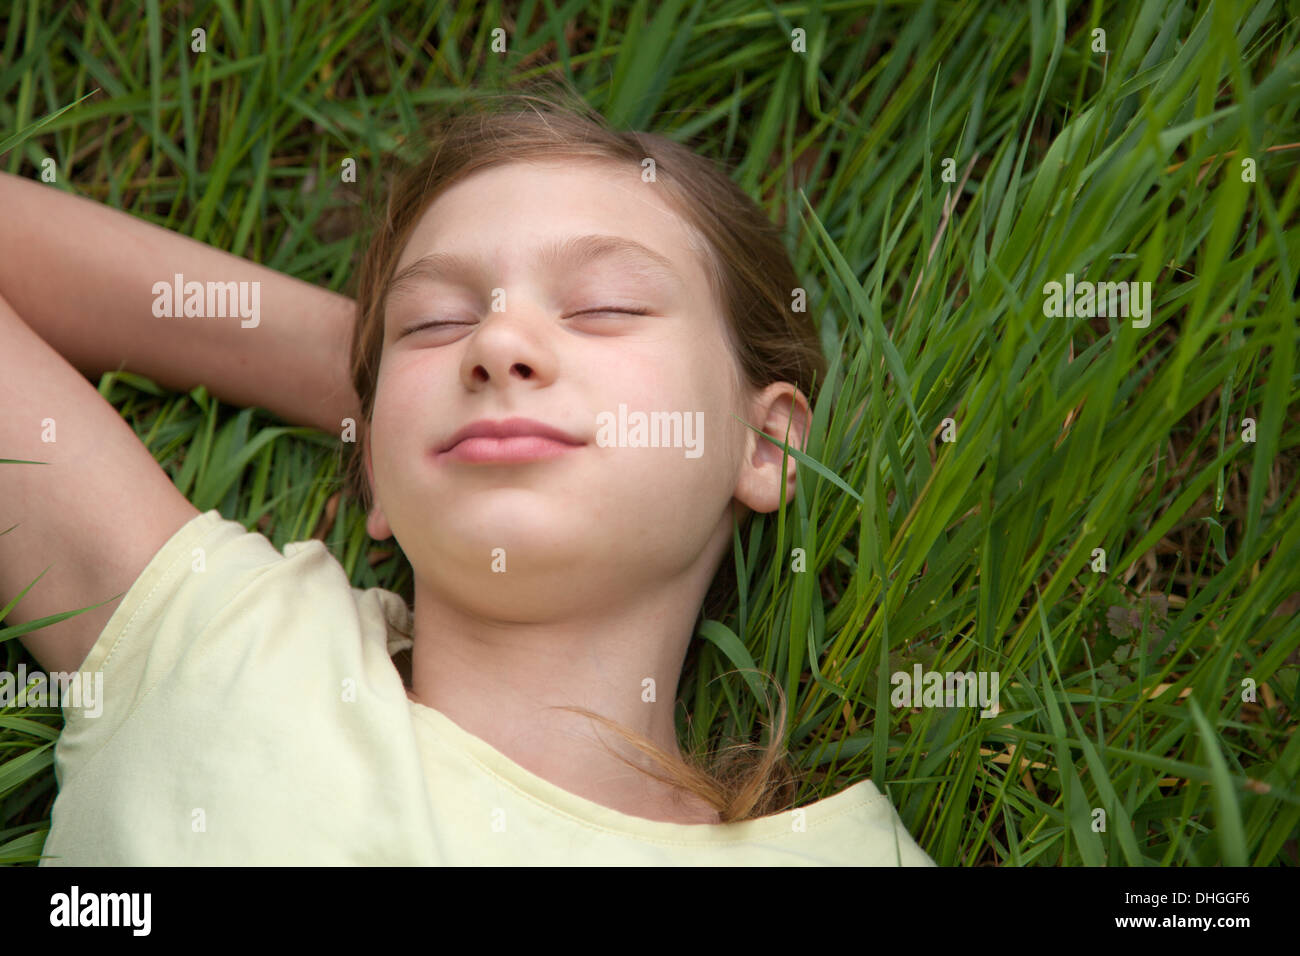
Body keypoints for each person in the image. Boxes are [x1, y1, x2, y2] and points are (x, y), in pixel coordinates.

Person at [1, 84, 934, 865]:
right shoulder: (222, 644)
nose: (496, 340)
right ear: (368, 468)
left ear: (765, 445)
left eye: (604, 306)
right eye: (438, 321)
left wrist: (406, 368)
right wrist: (373, 383)